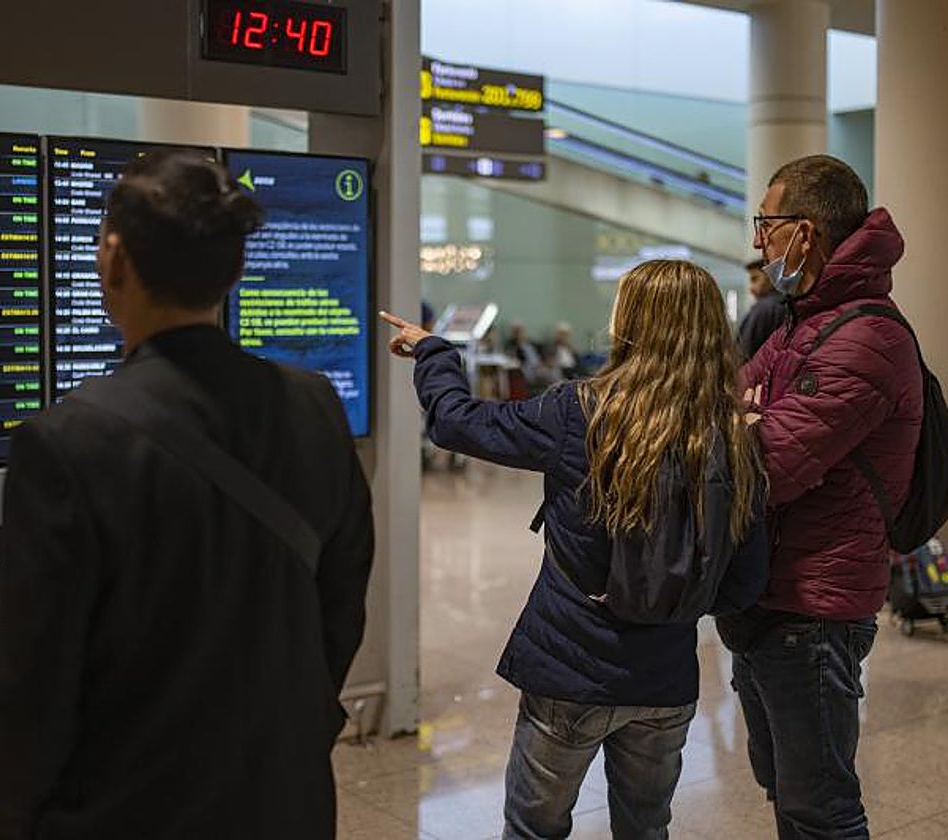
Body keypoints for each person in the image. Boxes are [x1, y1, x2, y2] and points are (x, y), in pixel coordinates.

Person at [0, 152, 374, 839]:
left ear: (114, 261)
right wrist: (300, 733)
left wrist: (16, 818)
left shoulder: (67, 440)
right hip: (285, 800)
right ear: (234, 271)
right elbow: (340, 605)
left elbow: (33, 675)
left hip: (126, 808)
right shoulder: (315, 407)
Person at [382, 259, 769, 840]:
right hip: (665, 676)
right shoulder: (733, 435)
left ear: (631, 322)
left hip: (569, 667)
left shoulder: (579, 411)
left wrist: (435, 354)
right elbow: (743, 581)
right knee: (646, 828)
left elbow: (457, 423)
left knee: (535, 829)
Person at [720, 154, 922, 838]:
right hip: (772, 598)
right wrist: (741, 419)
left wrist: (748, 423)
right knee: (785, 791)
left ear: (803, 233)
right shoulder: (803, 322)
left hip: (812, 610)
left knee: (820, 810)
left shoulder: (862, 337)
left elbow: (765, 466)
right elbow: (726, 402)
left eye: (765, 224)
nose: (758, 242)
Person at [736, 257, 787, 361]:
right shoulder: (787, 305)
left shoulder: (765, 308)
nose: (751, 288)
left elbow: (744, 352)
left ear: (770, 276)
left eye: (755, 279)